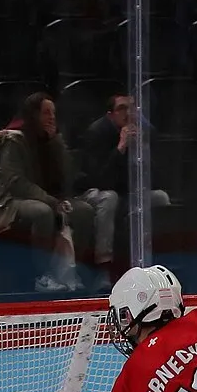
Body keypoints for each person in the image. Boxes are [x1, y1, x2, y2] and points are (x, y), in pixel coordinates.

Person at [0, 92, 95, 293]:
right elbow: (15, 182)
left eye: (53, 113)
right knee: (43, 212)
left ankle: (71, 272)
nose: (52, 117)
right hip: (12, 202)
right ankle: (43, 275)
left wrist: (55, 142)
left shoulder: (52, 139)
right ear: (33, 114)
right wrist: (51, 201)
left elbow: (67, 176)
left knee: (84, 211)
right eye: (46, 113)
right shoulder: (14, 140)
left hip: (51, 197)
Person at [75, 94, 172, 272]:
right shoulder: (97, 132)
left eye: (131, 108)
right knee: (109, 198)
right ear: (110, 114)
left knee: (160, 197)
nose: (128, 113)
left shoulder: (142, 132)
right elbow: (100, 179)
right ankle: (103, 265)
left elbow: (156, 178)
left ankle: (159, 261)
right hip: (94, 191)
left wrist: (141, 148)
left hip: (126, 192)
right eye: (121, 108)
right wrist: (120, 147)